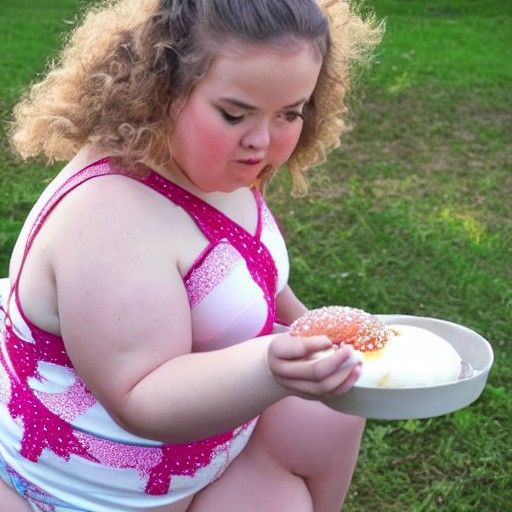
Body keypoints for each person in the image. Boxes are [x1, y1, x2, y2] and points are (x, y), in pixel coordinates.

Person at [0, 0, 383, 510]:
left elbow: (253, 271)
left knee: (332, 409)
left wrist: (312, 329)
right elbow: (139, 396)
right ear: (163, 87)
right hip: (82, 495)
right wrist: (270, 367)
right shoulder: (110, 218)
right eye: (234, 114)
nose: (262, 141)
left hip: (209, 455)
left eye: (291, 113)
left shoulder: (216, 162)